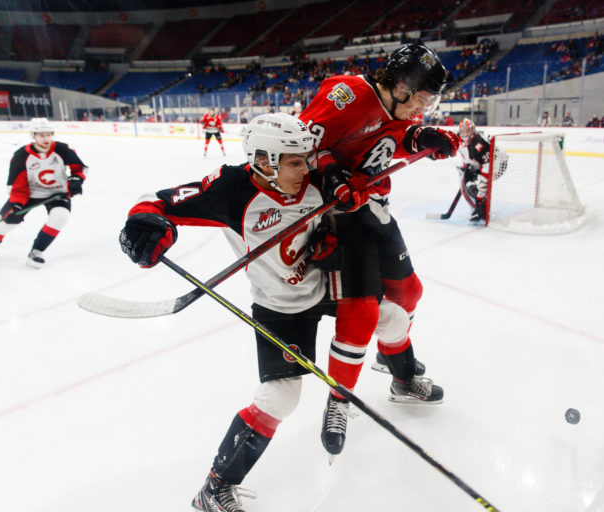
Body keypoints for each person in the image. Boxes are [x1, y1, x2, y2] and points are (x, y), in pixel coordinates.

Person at [117, 113, 340, 512]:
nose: (305, 169)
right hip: (281, 307)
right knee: (282, 397)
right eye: (293, 162)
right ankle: (215, 488)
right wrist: (149, 226)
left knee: (390, 310)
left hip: (328, 282)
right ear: (264, 161)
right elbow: (154, 204)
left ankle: (404, 377)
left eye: (306, 158)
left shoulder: (317, 176)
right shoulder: (231, 188)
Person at [298, 42, 460, 456]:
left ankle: (399, 375)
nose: (424, 106)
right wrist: (333, 177)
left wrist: (422, 136)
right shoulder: (347, 94)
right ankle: (338, 401)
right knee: (363, 313)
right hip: (339, 216)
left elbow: (391, 140)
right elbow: (302, 148)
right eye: (422, 98)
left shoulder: (398, 109)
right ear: (401, 86)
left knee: (409, 293)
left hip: (373, 208)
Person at [0, 117, 88, 268]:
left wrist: (76, 180)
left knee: (60, 216)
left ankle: (36, 252)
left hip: (57, 194)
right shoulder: (21, 156)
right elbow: (16, 185)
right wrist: (17, 206)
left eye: (49, 134)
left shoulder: (62, 149)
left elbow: (80, 167)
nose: (46, 138)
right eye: (41, 135)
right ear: (33, 136)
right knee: (3, 225)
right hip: (28, 195)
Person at [457, 118, 490, 222]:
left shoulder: (478, 143)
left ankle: (481, 209)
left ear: (473, 131)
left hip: (484, 167)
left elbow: (487, 165)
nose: (465, 134)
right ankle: (478, 209)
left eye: (468, 131)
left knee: (475, 188)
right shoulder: (458, 139)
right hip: (471, 167)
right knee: (468, 188)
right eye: (463, 131)